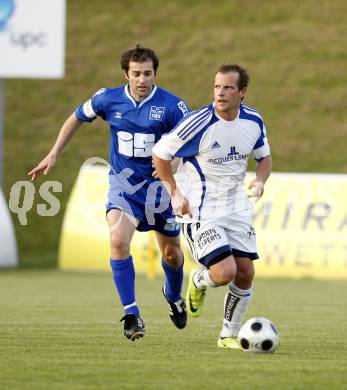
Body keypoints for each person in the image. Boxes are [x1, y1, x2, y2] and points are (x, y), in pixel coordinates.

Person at [29, 45, 190, 341]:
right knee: (117, 239)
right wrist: (53, 154)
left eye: (148, 73)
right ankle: (131, 313)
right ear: (126, 74)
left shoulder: (172, 106)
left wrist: (175, 163)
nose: (142, 79)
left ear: (155, 73)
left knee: (172, 254)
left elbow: (189, 139)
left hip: (159, 190)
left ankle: (173, 295)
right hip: (124, 187)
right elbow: (76, 116)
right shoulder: (108, 99)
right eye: (136, 73)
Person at [152, 63, 272, 349]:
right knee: (224, 272)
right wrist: (175, 193)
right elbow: (160, 154)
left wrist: (259, 180)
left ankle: (227, 336)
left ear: (242, 92)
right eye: (217, 87)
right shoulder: (199, 122)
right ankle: (199, 280)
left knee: (246, 273)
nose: (221, 93)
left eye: (228, 87)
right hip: (201, 212)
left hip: (237, 209)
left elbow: (264, 158)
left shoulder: (253, 121)